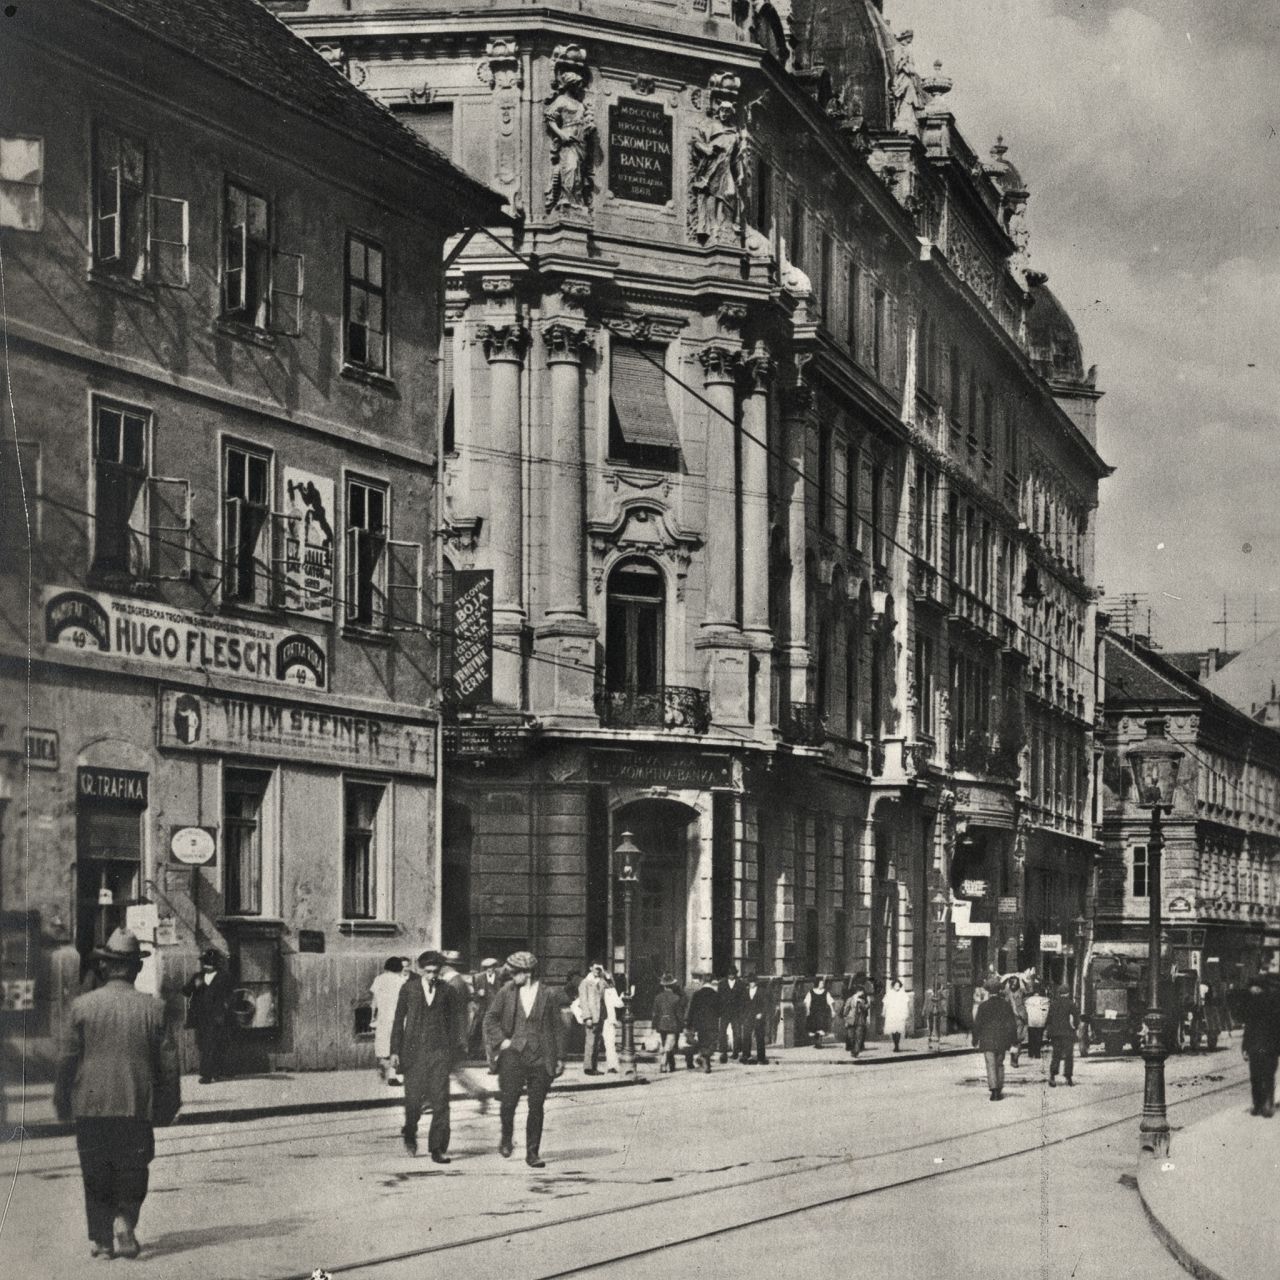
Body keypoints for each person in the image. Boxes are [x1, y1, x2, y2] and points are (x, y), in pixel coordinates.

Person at [54, 928, 180, 1260]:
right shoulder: (154, 1009)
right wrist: (169, 1105)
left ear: (107, 967)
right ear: (137, 969)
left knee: (95, 1171)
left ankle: (101, 1240)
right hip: (135, 1104)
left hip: (90, 1104)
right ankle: (124, 1221)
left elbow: (67, 1058)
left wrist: (61, 1098)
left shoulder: (82, 1006)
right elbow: (168, 1065)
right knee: (133, 1169)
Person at [483, 951, 565, 1168]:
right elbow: (490, 1018)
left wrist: (560, 1057)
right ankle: (507, 1138)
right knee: (508, 1102)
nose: (511, 977)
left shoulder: (549, 994)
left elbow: (558, 1027)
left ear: (527, 973)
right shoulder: (506, 992)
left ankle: (532, 1153)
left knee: (536, 1106)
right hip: (513, 1056)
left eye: (514, 973)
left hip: (541, 1057)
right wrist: (501, 1041)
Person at [389, 951, 464, 1162]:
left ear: (440, 971)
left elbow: (454, 1023)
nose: (432, 975)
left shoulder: (447, 991)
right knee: (413, 1103)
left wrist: (453, 1052)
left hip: (439, 1054)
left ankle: (437, 1149)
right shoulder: (409, 989)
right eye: (428, 971)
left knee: (441, 1103)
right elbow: (397, 1022)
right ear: (422, 970)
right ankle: (410, 1133)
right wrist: (395, 1051)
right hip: (413, 1055)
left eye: (436, 972)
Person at [183, 947, 233, 1083]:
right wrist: (195, 986)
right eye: (205, 962)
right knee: (204, 1045)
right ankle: (214, 1072)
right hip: (201, 1017)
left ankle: (207, 1075)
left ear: (215, 963)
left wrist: (225, 1009)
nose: (207, 965)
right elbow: (186, 991)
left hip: (216, 1016)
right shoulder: (198, 976)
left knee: (212, 1044)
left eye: (210, 962)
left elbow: (230, 995)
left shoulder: (224, 977)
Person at [972, 975, 1019, 1101]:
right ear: (999, 991)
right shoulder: (1005, 1005)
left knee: (990, 1065)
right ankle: (999, 1089)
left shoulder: (983, 1006)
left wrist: (975, 1039)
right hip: (1002, 1040)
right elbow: (1011, 1025)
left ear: (988, 991)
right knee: (999, 1064)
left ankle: (994, 1092)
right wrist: (1014, 1041)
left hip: (987, 1040)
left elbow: (977, 1024)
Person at [1241, 976, 1280, 1116]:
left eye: (1256, 987)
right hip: (1257, 1047)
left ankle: (1267, 1104)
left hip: (1269, 1047)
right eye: (1252, 988)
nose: (1253, 990)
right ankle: (1259, 1105)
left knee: (1267, 1076)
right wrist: (1244, 1048)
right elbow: (1248, 1029)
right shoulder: (1252, 1006)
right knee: (1256, 1077)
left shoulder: (1273, 1004)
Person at [369, 956, 407, 1086]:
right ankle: (392, 1076)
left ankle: (382, 1072)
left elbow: (374, 1002)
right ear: (399, 968)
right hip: (397, 1018)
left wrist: (373, 1017)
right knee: (395, 1046)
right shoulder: (402, 981)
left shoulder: (378, 979)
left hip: (382, 1017)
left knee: (382, 1045)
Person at [684, 971, 722, 1072]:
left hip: (700, 1024)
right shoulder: (716, 994)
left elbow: (692, 1010)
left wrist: (689, 1024)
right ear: (712, 981)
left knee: (703, 1042)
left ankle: (702, 1061)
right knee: (711, 1043)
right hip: (712, 1023)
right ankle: (706, 1062)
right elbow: (720, 1011)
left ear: (703, 981)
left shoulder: (697, 994)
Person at [469, 957, 503, 1066]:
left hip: (498, 1011)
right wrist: (478, 994)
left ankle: (495, 1060)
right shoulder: (478, 978)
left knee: (496, 1034)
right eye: (487, 967)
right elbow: (473, 996)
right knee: (479, 1032)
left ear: (495, 967)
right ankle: (480, 1056)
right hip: (483, 1010)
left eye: (491, 967)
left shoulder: (500, 978)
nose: (489, 969)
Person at [1046, 984, 1081, 1087]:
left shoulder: (1053, 1004)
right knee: (1069, 1056)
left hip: (1055, 1034)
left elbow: (1049, 1019)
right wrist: (1075, 1028)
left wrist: (1048, 1031)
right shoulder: (1071, 1004)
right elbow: (1076, 1019)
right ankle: (1068, 1077)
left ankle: (1052, 1076)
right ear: (1068, 993)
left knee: (1056, 1055)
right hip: (1067, 1034)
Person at [578, 961, 608, 1075]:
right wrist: (587, 1017)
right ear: (590, 968)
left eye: (599, 969)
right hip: (591, 1016)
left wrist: (604, 973)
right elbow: (583, 1001)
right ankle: (588, 1068)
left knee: (597, 1043)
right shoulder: (585, 983)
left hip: (600, 1016)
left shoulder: (601, 981)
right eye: (596, 968)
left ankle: (594, 1067)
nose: (598, 971)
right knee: (590, 1041)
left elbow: (612, 986)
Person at [651, 974, 684, 1073]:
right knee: (669, 1046)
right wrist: (682, 1025)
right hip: (673, 1024)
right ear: (672, 986)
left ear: (664, 986)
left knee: (666, 1044)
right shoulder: (676, 998)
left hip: (661, 1024)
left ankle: (672, 1065)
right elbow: (679, 1014)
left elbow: (655, 1013)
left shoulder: (658, 998)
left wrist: (653, 1025)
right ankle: (663, 1063)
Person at [718, 966, 749, 1063]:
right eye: (730, 974)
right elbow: (719, 997)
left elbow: (744, 999)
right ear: (727, 975)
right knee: (722, 1032)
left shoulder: (741, 984)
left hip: (736, 1012)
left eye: (733, 974)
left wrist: (742, 1011)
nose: (731, 976)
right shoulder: (722, 984)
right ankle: (723, 1052)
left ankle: (735, 1052)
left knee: (737, 1032)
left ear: (735, 974)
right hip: (725, 1012)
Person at [803, 975, 837, 1049]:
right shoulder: (811, 992)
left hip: (822, 1013)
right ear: (817, 983)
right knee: (814, 1028)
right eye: (821, 983)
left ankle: (819, 1043)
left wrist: (832, 1010)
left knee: (821, 1027)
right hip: (813, 1013)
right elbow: (807, 1002)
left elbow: (830, 1001)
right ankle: (816, 1043)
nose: (822, 984)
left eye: (823, 983)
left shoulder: (825, 992)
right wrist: (808, 1010)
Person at [744, 973, 771, 1064]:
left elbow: (766, 1004)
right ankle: (746, 1055)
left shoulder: (761, 991)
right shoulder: (746, 991)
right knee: (747, 1036)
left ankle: (761, 1057)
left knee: (759, 1037)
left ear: (756, 982)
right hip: (748, 1017)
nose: (751, 983)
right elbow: (743, 1004)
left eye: (753, 982)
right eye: (750, 982)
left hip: (758, 1017)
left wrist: (761, 1014)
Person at [601, 973, 624, 1073]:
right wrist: (623, 996)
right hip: (609, 1020)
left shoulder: (597, 990)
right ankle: (612, 1066)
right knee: (610, 1043)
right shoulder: (611, 990)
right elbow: (619, 1004)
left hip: (599, 1019)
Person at [882, 979, 911, 1053]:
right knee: (893, 1029)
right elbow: (885, 1003)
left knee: (899, 1029)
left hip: (900, 1013)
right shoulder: (889, 993)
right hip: (891, 1013)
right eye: (895, 985)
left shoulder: (903, 993)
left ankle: (897, 1045)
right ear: (893, 986)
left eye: (898, 985)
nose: (897, 986)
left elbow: (907, 1003)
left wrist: (907, 1012)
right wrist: (884, 1011)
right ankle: (895, 1044)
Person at [1004, 975, 1028, 1067]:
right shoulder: (1006, 993)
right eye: (1012, 982)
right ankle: (1013, 1058)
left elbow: (1024, 1004)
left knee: (1017, 1041)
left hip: (1019, 1019)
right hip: (1010, 1019)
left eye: (1015, 982)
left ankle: (1014, 1059)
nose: (1013, 984)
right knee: (1013, 1041)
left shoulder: (1022, 992)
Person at [843, 985, 870, 1058]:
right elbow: (846, 1010)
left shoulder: (863, 1000)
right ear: (859, 992)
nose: (863, 993)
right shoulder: (850, 999)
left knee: (859, 1036)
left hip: (860, 1019)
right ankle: (853, 1049)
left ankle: (856, 1051)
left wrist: (866, 1004)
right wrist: (846, 1018)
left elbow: (865, 1009)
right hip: (851, 1019)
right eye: (862, 992)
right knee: (851, 1036)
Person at [1025, 983, 1050, 1060]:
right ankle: (1037, 1053)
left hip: (1031, 1020)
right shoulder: (1045, 1000)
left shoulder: (1028, 1000)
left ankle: (1030, 1053)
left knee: (1031, 1037)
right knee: (1039, 1037)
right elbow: (1046, 1011)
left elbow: (1026, 1010)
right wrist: (1045, 1020)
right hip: (1040, 1021)